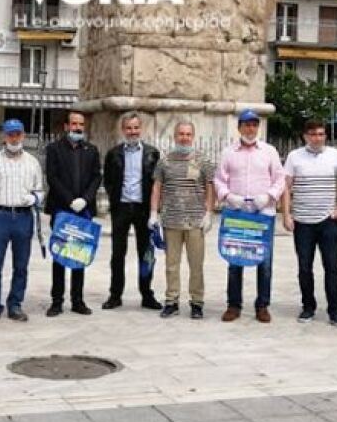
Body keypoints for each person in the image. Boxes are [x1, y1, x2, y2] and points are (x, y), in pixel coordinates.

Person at [215, 110, 286, 323]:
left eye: (254, 125)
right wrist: (228, 196)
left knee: (264, 260)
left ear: (258, 127)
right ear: (239, 127)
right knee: (234, 258)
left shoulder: (269, 151)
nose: (250, 129)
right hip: (237, 213)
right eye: (246, 125)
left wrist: (269, 196)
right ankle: (233, 305)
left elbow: (280, 179)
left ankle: (262, 305)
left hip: (262, 214)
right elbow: (218, 179)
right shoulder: (228, 153)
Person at [282, 119, 337, 327]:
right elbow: (286, 186)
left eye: (321, 134)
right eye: (313, 134)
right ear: (305, 136)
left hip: (327, 220)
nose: (317, 138)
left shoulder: (334, 155)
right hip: (302, 221)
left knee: (332, 267)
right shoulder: (294, 157)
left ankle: (335, 311)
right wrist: (286, 214)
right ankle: (308, 306)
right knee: (304, 267)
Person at [0, 119, 44, 323]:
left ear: (23, 135)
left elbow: (40, 191)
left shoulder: (32, 162)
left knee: (21, 265)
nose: (14, 138)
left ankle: (15, 304)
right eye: (10, 134)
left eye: (18, 134)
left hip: (23, 216)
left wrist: (35, 198)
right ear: (4, 137)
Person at [150, 121, 215, 319]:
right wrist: (153, 212)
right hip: (171, 220)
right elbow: (157, 187)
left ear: (192, 136)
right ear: (175, 136)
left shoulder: (203, 160)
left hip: (195, 221)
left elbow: (210, 187)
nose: (184, 137)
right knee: (171, 265)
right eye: (181, 134)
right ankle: (171, 301)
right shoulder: (165, 162)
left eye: (188, 134)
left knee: (196, 265)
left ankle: (197, 302)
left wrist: (209, 213)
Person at [102, 111, 162, 311]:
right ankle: (115, 294)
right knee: (117, 254)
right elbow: (109, 181)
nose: (133, 131)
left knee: (146, 254)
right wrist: (115, 201)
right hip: (121, 208)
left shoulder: (152, 154)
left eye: (136, 127)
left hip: (143, 209)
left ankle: (147, 294)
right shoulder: (114, 153)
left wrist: (155, 211)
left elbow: (157, 183)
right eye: (129, 128)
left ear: (141, 128)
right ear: (123, 130)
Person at [44, 110, 102, 316]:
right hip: (62, 209)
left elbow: (97, 177)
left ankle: (78, 300)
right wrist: (70, 200)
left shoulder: (91, 150)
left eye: (81, 124)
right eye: (74, 124)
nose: (78, 128)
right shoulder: (54, 149)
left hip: (83, 210)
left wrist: (85, 199)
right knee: (59, 253)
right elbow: (52, 177)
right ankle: (57, 301)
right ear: (66, 126)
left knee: (79, 252)